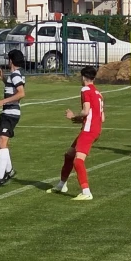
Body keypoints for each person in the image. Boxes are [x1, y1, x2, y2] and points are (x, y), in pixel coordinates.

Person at [48, 65, 104, 201]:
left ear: (83, 77)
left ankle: (86, 192)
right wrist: (81, 121)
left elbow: (86, 111)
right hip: (95, 129)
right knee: (69, 155)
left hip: (88, 130)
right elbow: (101, 117)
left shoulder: (85, 89)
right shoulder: (98, 93)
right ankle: (62, 185)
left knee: (78, 161)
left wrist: (73, 117)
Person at [0, 49, 26, 187]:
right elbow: (13, 88)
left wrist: (2, 102)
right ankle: (9, 170)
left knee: (2, 140)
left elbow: (21, 93)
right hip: (7, 113)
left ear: (11, 60)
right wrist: (3, 78)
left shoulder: (16, 75)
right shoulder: (15, 75)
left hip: (11, 113)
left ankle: (0, 175)